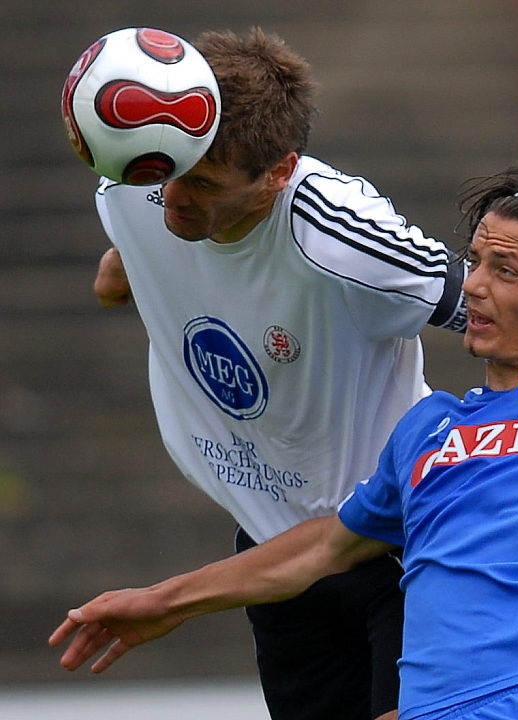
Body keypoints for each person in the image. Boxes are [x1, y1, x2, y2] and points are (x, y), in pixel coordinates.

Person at [51, 156, 518, 719]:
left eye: (505, 271)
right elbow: (325, 545)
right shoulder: (428, 430)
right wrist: (165, 602)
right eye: (474, 261)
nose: (474, 286)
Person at [81, 26, 467, 720]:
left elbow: (502, 307)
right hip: (271, 554)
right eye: (174, 174)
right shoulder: (140, 173)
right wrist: (126, 270)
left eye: (206, 185)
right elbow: (128, 252)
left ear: (279, 174)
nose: (174, 199)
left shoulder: (338, 233)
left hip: (403, 543)